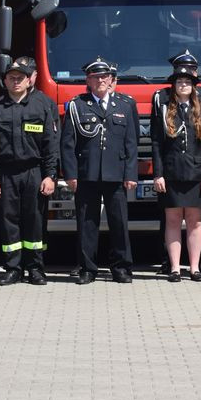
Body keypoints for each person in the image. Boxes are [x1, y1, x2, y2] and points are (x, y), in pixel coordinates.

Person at [61, 57, 138, 284]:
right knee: (87, 223)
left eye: (105, 77)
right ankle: (87, 268)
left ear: (111, 79)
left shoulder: (125, 104)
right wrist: (71, 174)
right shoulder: (77, 105)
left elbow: (131, 142)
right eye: (96, 77)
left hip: (116, 173)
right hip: (87, 174)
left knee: (119, 223)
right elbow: (67, 144)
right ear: (88, 80)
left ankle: (121, 268)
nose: (101, 80)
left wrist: (131, 174)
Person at [0, 57, 59, 287]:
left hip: (34, 172)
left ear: (29, 80)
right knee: (9, 222)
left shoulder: (43, 105)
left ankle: (35, 268)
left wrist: (50, 175)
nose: (15, 82)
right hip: (6, 174)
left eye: (20, 78)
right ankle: (13, 268)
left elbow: (51, 144)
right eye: (11, 78)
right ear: (4, 81)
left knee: (35, 220)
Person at [154, 49, 201, 275]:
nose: (183, 84)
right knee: (172, 221)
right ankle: (173, 268)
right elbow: (156, 142)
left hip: (195, 174)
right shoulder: (163, 105)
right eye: (179, 80)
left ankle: (195, 267)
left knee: (195, 222)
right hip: (171, 174)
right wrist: (158, 173)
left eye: (188, 80)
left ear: (194, 84)